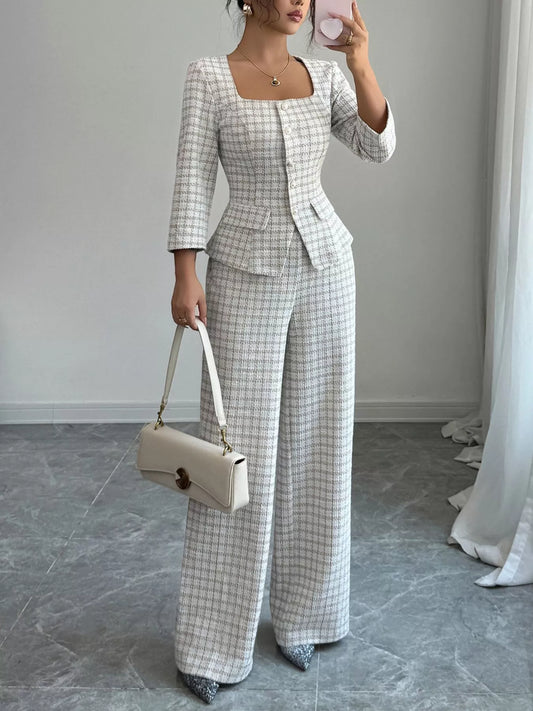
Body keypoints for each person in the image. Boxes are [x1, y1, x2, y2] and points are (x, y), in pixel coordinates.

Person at [168, 0, 396, 703]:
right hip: (243, 270)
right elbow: (192, 177)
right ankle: (211, 640)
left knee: (318, 442)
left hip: (327, 268)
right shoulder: (209, 77)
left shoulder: (324, 76)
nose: (299, 0)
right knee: (233, 450)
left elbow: (378, 147)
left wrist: (360, 63)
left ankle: (307, 615)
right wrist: (185, 273)